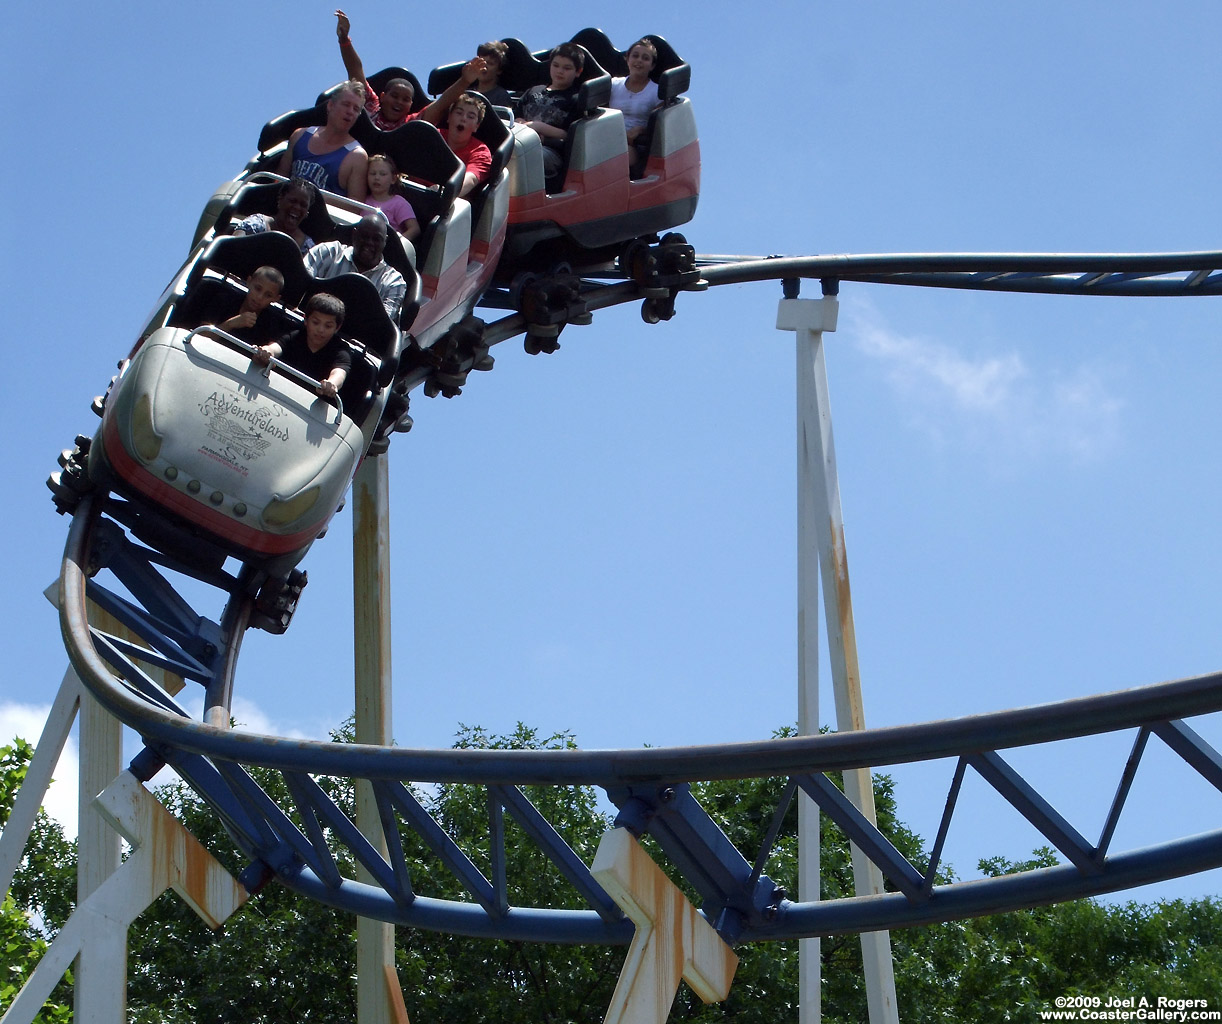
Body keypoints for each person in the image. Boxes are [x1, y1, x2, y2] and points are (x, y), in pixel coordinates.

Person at [334, 10, 488, 131]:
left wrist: (465, 80)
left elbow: (442, 103)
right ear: (382, 97)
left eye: (405, 100)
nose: (399, 102)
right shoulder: (370, 106)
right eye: (394, 96)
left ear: (410, 105)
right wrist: (344, 40)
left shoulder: (412, 123)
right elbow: (355, 71)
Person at [305, 214, 406, 321]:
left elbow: (382, 324)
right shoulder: (328, 252)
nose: (369, 243)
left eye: (376, 239)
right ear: (354, 234)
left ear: (385, 242)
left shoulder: (394, 281)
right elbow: (302, 281)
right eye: (364, 236)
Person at [278, 81, 368, 200]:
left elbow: (354, 207)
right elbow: (278, 179)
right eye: (346, 104)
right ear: (330, 105)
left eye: (356, 109)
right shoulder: (299, 135)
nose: (350, 111)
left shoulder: (357, 157)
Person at [254, 293, 351, 400]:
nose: (320, 330)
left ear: (337, 328)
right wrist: (266, 351)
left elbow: (339, 373)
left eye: (328, 326)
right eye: (315, 322)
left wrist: (332, 384)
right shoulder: (295, 336)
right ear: (306, 320)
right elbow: (275, 348)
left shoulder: (341, 351)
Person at [514, 43, 585, 188]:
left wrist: (537, 127)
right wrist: (521, 122)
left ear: (578, 72)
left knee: (527, 157)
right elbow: (515, 116)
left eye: (567, 68)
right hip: (520, 141)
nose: (560, 71)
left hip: (550, 151)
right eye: (556, 65)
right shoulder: (533, 90)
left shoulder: (575, 99)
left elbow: (568, 134)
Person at [608, 39, 661, 177]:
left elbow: (661, 125)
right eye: (635, 56)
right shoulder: (613, 84)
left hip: (637, 145)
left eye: (645, 58)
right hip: (609, 138)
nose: (639, 61)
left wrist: (640, 130)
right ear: (627, 59)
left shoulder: (656, 92)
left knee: (616, 159)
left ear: (652, 65)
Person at [233, 178, 319, 254]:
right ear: (280, 200)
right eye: (293, 201)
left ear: (307, 213)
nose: (297, 207)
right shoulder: (256, 224)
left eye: (303, 205)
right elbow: (233, 246)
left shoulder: (308, 248)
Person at [203, 266, 286, 344]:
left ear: (276, 298)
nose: (260, 297)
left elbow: (268, 352)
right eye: (257, 289)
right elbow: (201, 337)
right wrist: (230, 324)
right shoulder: (224, 300)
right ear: (249, 282)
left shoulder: (271, 324)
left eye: (268, 295)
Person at [439, 94, 493, 198]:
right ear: (449, 117)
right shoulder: (433, 135)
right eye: (459, 113)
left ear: (476, 126)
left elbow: (470, 179)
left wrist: (446, 193)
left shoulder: (481, 152)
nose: (463, 118)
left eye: (470, 116)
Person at [364, 155, 419, 242]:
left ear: (393, 179)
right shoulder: (363, 199)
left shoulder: (399, 203)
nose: (377, 178)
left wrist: (397, 243)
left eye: (383, 174)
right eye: (372, 173)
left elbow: (414, 229)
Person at [474, 41, 512, 107]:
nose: (484, 66)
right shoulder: (467, 93)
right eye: (482, 61)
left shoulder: (501, 96)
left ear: (499, 70)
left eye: (490, 63)